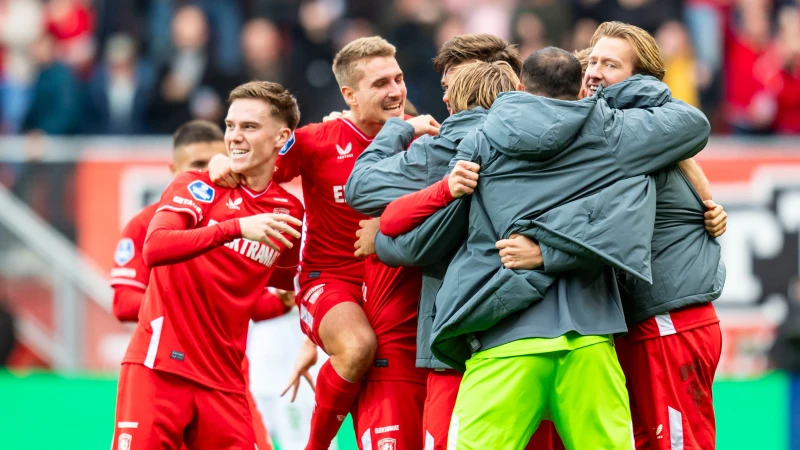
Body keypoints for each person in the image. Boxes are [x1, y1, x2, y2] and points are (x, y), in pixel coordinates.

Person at [209, 36, 438, 450]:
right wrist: (222, 160)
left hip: (397, 294)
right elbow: (254, 162)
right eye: (380, 83)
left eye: (398, 79)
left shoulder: (423, 139)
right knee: (357, 347)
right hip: (329, 280)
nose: (395, 91)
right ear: (348, 95)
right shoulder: (317, 140)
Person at [346, 34, 561, 450]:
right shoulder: (559, 128)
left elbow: (363, 188)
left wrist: (387, 229)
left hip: (460, 336)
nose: (447, 97)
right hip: (550, 338)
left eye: (453, 85)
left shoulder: (450, 142)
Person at [111, 81, 304, 450]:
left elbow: (293, 278)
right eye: (230, 126)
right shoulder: (196, 186)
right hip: (162, 368)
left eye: (248, 127)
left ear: (281, 137)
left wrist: (298, 302)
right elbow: (154, 247)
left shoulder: (288, 210)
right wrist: (233, 229)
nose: (234, 136)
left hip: (225, 382)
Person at [584, 22, 726, 450]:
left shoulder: (631, 130)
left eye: (610, 64)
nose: (593, 72)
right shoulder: (642, 131)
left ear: (639, 78)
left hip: (668, 321)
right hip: (652, 319)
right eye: (592, 60)